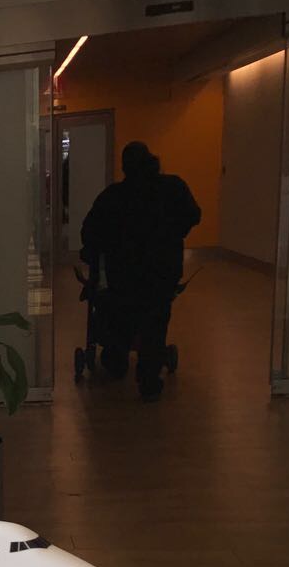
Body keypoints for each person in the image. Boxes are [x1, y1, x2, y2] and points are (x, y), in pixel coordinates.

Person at [80, 141, 200, 400]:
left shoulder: (113, 196)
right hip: (162, 271)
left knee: (119, 317)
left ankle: (116, 360)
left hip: (123, 275)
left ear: (125, 167)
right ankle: (149, 380)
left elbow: (90, 232)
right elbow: (193, 215)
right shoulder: (173, 188)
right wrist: (173, 235)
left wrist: (96, 252)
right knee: (155, 324)